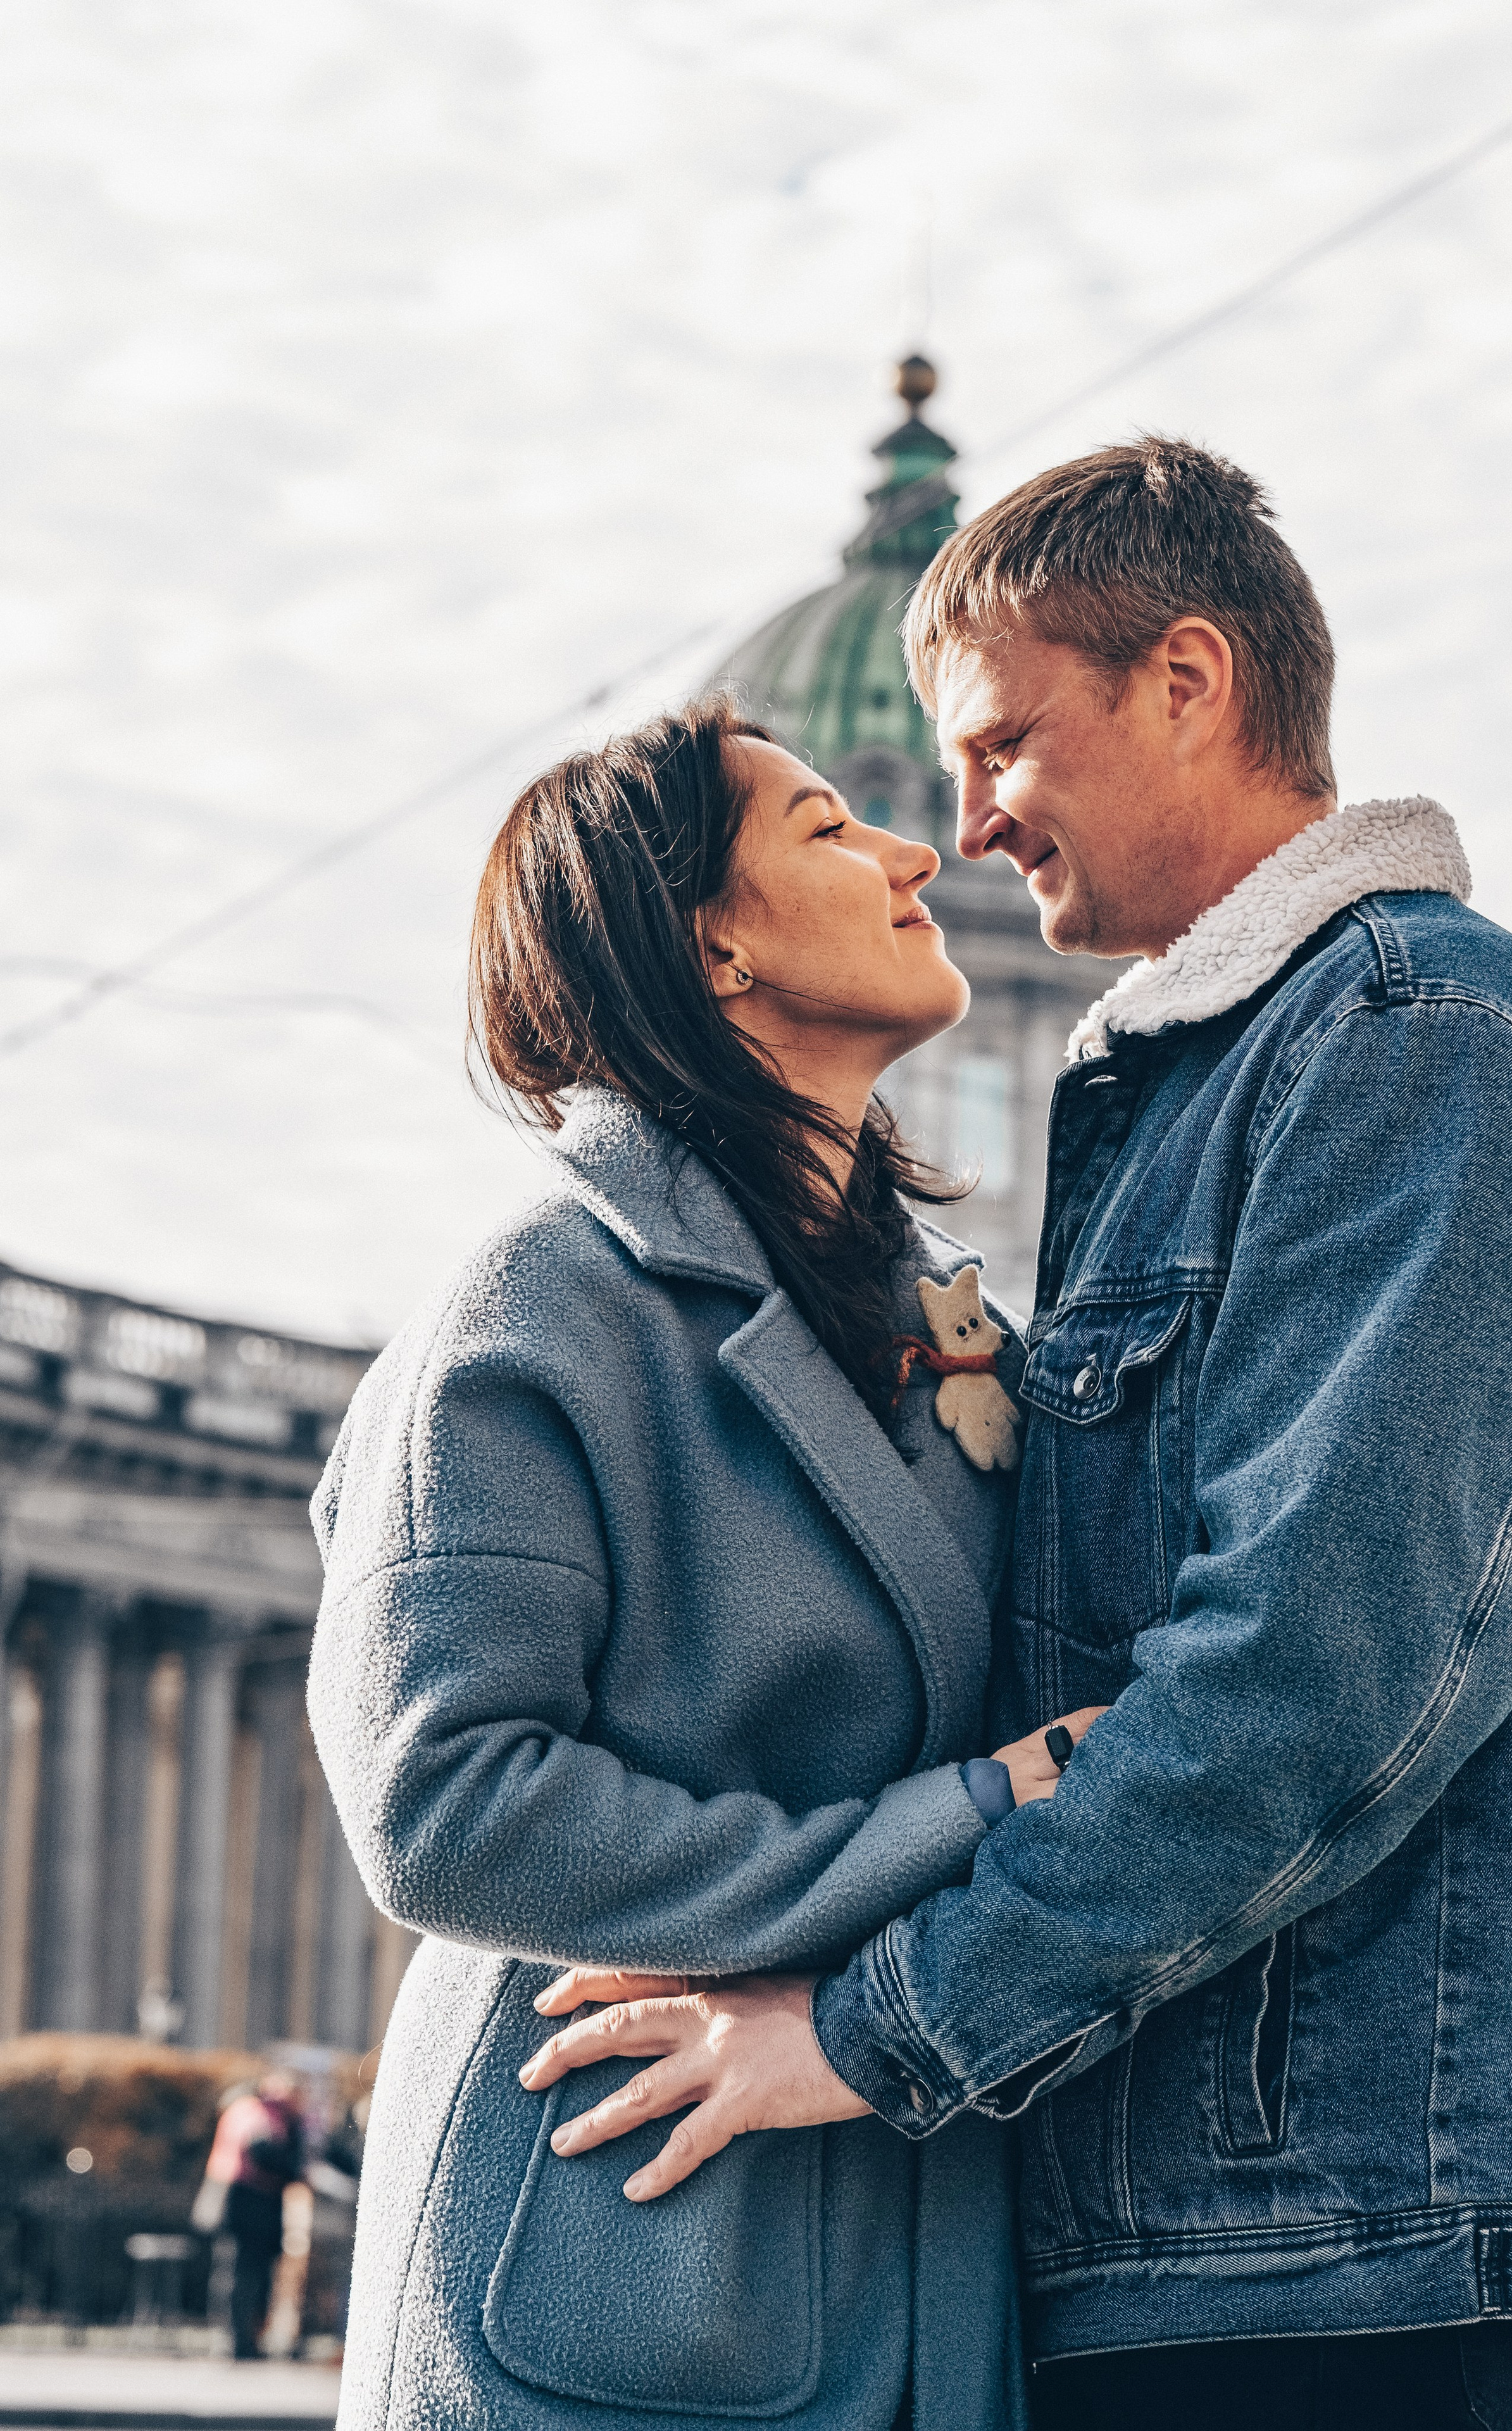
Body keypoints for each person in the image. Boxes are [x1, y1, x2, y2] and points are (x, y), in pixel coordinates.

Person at [525, 441, 1512, 2431]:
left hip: (1293, 2244)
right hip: (1156, 2203)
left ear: (1187, 681)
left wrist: (870, 2026)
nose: (959, 826)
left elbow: (1310, 1683)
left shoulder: (1411, 1041)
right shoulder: (1211, 1081)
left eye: (1004, 743)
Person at [308, 698, 1097, 2431]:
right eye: (832, 830)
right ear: (711, 942)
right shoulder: (537, 1304)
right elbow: (444, 1804)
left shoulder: (950, 1325)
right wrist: (956, 1821)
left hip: (907, 2248)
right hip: (618, 2234)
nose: (919, 853)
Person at [194, 2068, 306, 2361]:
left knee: (245, 2273)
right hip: (246, 2201)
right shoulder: (258, 2113)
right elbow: (261, 2150)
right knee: (242, 2274)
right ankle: (237, 2339)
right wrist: (295, 2167)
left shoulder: (246, 2109)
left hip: (245, 2200)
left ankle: (244, 2338)